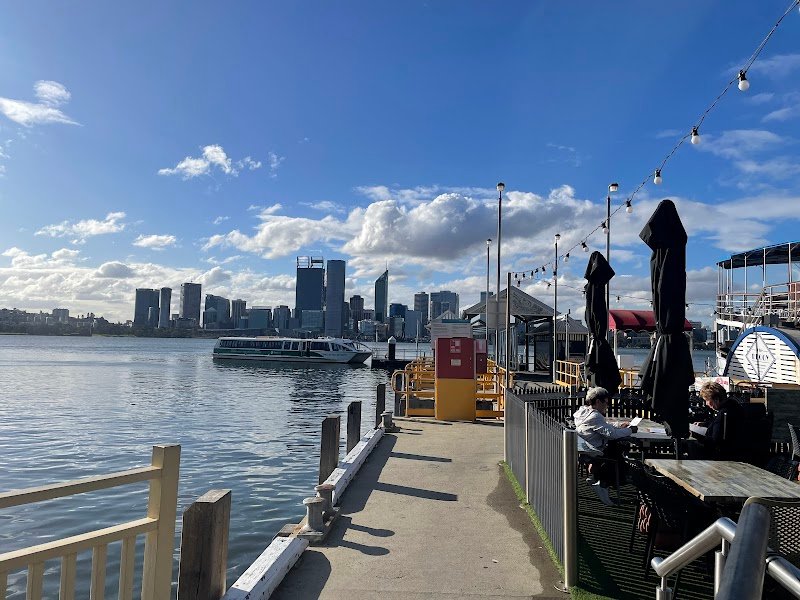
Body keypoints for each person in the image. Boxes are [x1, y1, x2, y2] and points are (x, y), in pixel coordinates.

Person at [573, 386, 637, 505]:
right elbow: (611, 434)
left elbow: (604, 426)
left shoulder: (585, 412)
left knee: (615, 449)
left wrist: (618, 425)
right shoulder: (595, 416)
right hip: (593, 450)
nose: (607, 406)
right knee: (616, 452)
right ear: (598, 402)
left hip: (586, 448)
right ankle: (605, 483)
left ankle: (601, 478)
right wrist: (631, 430)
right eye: (606, 402)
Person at [694, 381, 747, 461]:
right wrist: (705, 424)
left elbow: (714, 440)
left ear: (716, 399)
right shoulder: (735, 407)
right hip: (739, 453)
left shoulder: (723, 414)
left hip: (723, 456)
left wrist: (696, 436)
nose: (706, 404)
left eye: (707, 400)